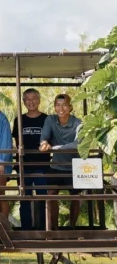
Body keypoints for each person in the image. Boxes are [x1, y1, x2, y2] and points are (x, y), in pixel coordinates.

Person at [38, 94, 83, 230]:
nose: (60, 108)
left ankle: (72, 227)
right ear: (54, 107)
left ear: (70, 107)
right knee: (51, 194)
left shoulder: (78, 123)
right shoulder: (50, 120)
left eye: (64, 105)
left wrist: (56, 148)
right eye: (57, 104)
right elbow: (44, 138)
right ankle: (55, 229)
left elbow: (77, 144)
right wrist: (44, 144)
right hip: (56, 166)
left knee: (77, 197)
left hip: (74, 167)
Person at [13, 89, 48, 230]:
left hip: (42, 165)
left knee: (42, 199)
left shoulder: (47, 119)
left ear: (39, 100)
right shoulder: (19, 120)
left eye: (34, 98)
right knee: (24, 199)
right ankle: (26, 230)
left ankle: (43, 230)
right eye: (27, 99)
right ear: (23, 102)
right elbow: (17, 143)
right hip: (24, 165)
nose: (31, 101)